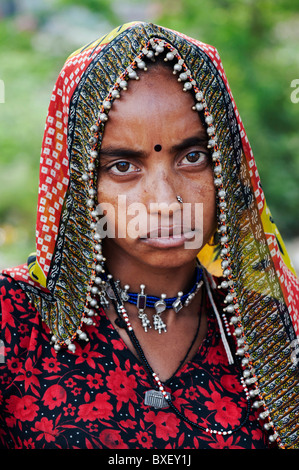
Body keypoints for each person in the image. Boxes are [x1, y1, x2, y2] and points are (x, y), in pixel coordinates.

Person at [0, 21, 298, 450]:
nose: (165, 202)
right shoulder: (17, 322)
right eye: (124, 166)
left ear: (227, 172)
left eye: (193, 157)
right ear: (82, 183)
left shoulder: (272, 333)